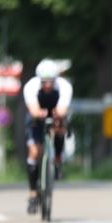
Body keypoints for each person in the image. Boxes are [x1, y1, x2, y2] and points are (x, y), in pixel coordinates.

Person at [23, 59, 73, 214]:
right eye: (44, 82)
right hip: (37, 115)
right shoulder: (31, 86)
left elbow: (62, 109)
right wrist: (42, 114)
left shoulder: (64, 86)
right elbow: (34, 110)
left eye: (51, 81)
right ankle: (33, 194)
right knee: (34, 152)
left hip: (56, 112)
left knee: (60, 127)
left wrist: (57, 116)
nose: (48, 85)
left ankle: (57, 159)